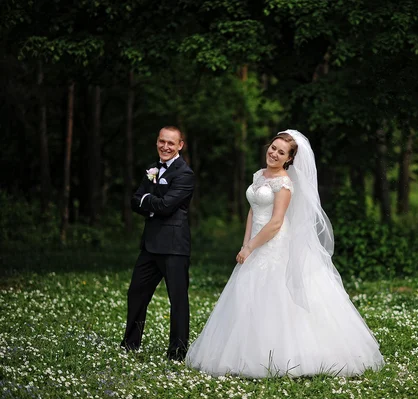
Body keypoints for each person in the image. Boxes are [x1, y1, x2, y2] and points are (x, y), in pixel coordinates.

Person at [186, 130, 384, 377]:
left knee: (276, 295)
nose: (274, 153)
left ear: (289, 159)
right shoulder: (259, 175)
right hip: (256, 241)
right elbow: (252, 211)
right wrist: (244, 243)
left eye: (281, 152)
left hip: (273, 243)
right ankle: (245, 351)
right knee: (247, 293)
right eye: (273, 147)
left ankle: (287, 355)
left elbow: (276, 223)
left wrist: (251, 246)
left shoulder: (284, 184)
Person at [121, 126, 195, 361]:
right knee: (136, 293)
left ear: (180, 145)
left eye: (171, 143)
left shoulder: (185, 174)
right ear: (157, 142)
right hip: (150, 244)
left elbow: (166, 206)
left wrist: (148, 202)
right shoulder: (152, 169)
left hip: (174, 246)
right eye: (162, 141)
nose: (165, 146)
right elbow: (134, 201)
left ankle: (177, 352)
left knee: (178, 300)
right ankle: (130, 344)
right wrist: (151, 202)